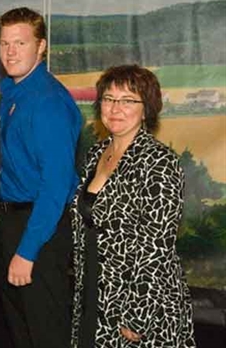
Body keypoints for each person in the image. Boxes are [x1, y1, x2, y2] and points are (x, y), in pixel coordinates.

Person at [70, 65, 196, 347]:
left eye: (128, 100)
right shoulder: (95, 154)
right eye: (109, 98)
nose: (116, 108)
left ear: (146, 109)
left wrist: (136, 314)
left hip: (140, 304)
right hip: (96, 292)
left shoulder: (159, 163)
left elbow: (156, 247)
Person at [0, 7, 82, 348]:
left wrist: (28, 250)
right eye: (4, 43)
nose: (10, 52)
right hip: (14, 220)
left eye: (20, 43)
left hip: (41, 229)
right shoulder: (14, 92)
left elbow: (56, 187)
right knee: (21, 328)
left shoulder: (47, 102)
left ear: (41, 47)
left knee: (46, 330)